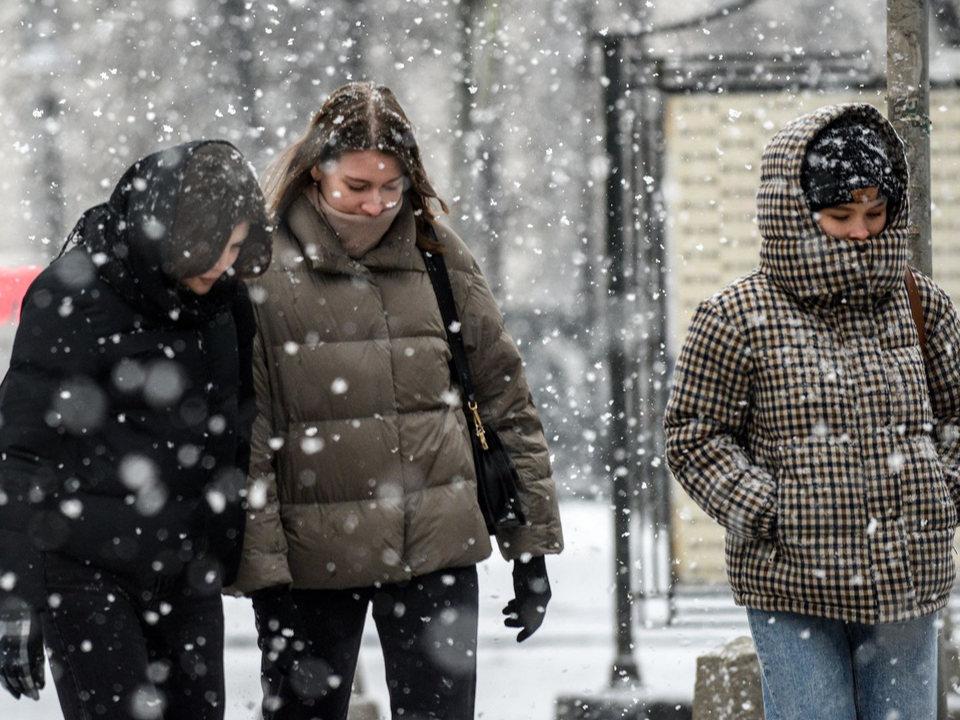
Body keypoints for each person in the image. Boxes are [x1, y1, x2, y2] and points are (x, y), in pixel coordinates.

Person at [227, 81, 564, 720]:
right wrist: (264, 576)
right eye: (356, 187)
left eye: (392, 187)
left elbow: (504, 401)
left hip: (436, 549)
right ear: (315, 171)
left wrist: (531, 548)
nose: (376, 205)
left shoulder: (438, 257)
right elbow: (251, 435)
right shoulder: (261, 272)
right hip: (312, 561)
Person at [665, 102, 960, 719]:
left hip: (907, 577)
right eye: (841, 215)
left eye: (876, 214)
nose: (862, 231)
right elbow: (694, 436)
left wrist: (941, 490)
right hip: (792, 583)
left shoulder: (921, 304)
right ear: (795, 213)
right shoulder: (737, 316)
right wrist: (772, 509)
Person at [0, 140, 272, 719]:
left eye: (233, 251)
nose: (221, 267)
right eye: (211, 251)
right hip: (83, 568)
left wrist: (227, 542)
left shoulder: (224, 301)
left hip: (184, 565)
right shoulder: (75, 296)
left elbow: (236, 422)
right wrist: (14, 596)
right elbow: (22, 451)